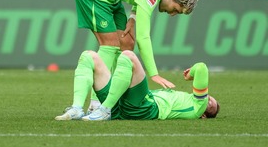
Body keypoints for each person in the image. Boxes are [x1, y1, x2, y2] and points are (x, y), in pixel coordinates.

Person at [74, 0, 199, 113]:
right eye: (175, 9)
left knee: (126, 43)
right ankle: (96, 103)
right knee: (110, 44)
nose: (173, 14)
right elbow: (143, 37)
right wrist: (154, 74)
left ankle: (116, 94)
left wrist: (132, 18)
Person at [55, 50, 219, 121]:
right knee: (89, 56)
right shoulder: (188, 100)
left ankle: (103, 110)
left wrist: (190, 74)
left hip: (145, 108)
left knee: (128, 56)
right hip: (124, 106)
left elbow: (202, 68)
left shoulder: (198, 106)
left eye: (211, 106)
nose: (209, 101)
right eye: (212, 100)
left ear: (203, 116)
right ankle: (77, 108)